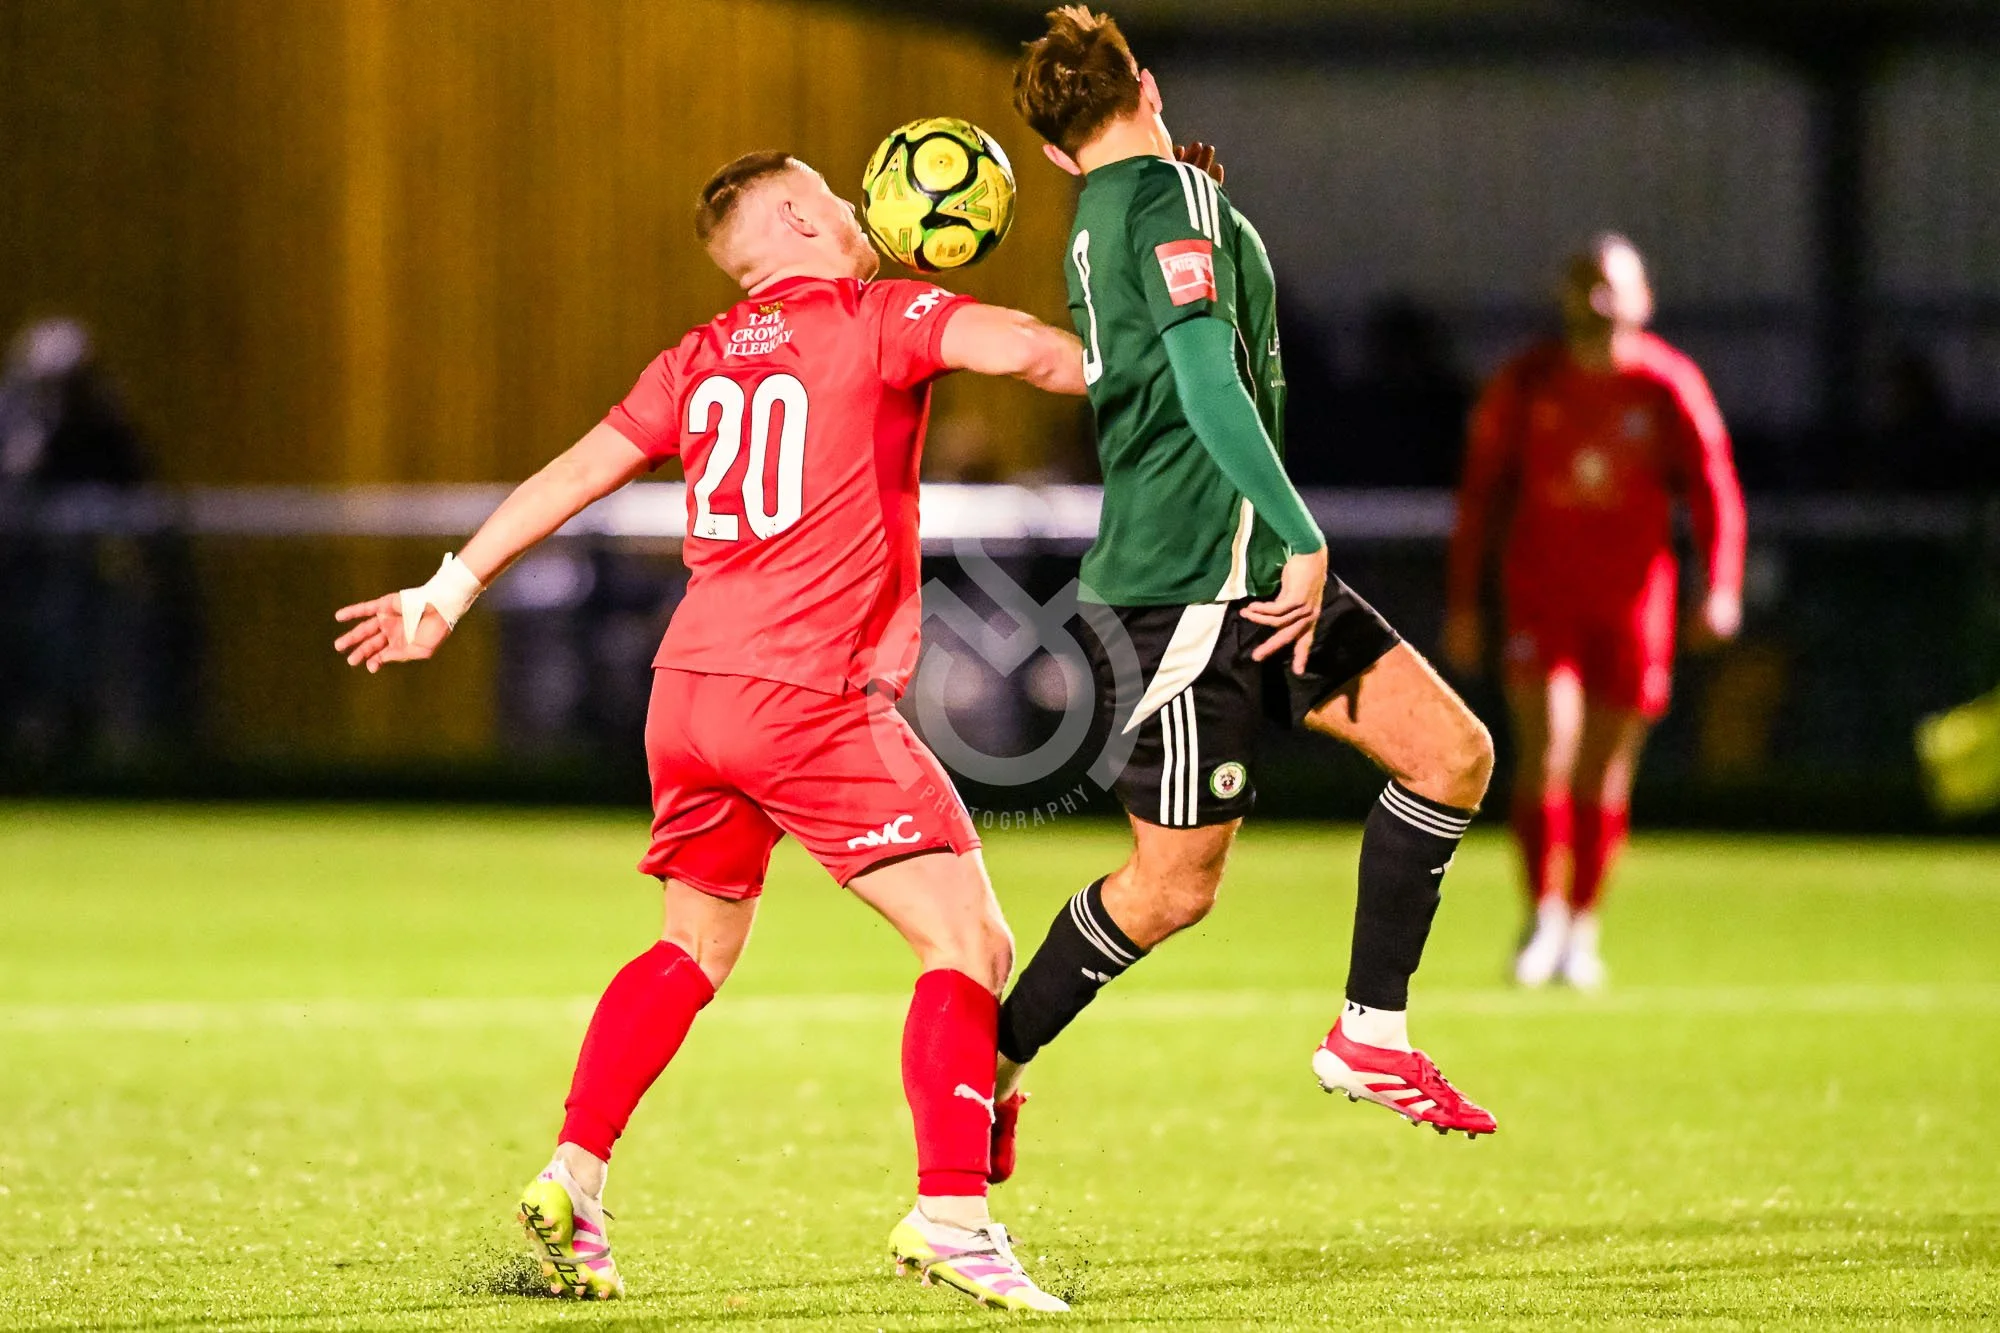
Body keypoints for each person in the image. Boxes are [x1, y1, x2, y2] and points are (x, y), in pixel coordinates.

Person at [333, 151, 1083, 1312]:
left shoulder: (696, 356)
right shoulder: (877, 318)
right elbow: (1035, 353)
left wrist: (447, 589)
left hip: (689, 693)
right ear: (792, 218)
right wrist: (1166, 350)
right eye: (829, 192)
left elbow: (578, 470)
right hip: (807, 693)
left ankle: (574, 1178)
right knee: (968, 945)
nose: (853, 204)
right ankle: (953, 1216)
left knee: (691, 948)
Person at [985, 5, 1500, 1189]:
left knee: (1449, 754)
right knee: (1171, 888)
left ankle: (1370, 1034)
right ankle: (985, 1068)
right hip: (1183, 592)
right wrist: (1300, 530)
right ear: (1148, 86)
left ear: (1055, 151)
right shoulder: (1167, 197)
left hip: (1241, 575)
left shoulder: (1106, 212)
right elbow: (1202, 374)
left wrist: (1199, 215)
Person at [1444, 234, 1746, 989]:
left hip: (1634, 602)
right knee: (1548, 748)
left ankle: (1582, 926)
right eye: (1586, 282)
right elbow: (1480, 496)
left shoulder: (1669, 385)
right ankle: (1542, 916)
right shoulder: (1528, 382)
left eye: (1615, 284)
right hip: (1541, 595)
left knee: (1605, 769)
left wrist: (1722, 585)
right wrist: (1464, 602)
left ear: (1645, 299)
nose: (1600, 298)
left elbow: (1715, 488)